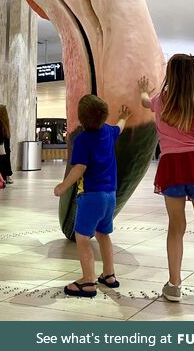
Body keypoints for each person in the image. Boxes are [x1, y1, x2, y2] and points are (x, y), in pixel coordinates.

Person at [138, 53, 194, 303]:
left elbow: (144, 102)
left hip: (171, 166)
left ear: (171, 75)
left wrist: (143, 89)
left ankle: (174, 286)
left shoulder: (160, 100)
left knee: (176, 227)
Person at [54, 95, 131, 298]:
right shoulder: (108, 132)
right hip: (110, 195)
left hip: (91, 197)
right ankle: (109, 274)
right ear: (104, 115)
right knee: (103, 234)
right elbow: (120, 126)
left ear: (80, 118)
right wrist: (124, 116)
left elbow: (79, 168)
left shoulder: (82, 140)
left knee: (82, 238)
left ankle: (88, 281)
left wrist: (63, 186)